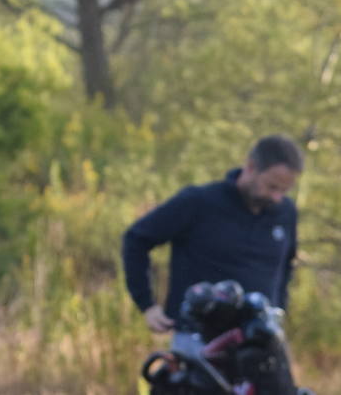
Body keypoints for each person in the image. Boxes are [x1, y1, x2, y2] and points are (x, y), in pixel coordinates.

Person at [122, 134, 302, 338]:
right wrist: (147, 304)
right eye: (272, 187)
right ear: (251, 167)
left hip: (259, 339)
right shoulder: (199, 202)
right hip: (198, 340)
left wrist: (279, 310)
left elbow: (286, 265)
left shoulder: (286, 213)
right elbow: (136, 239)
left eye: (284, 190)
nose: (277, 197)